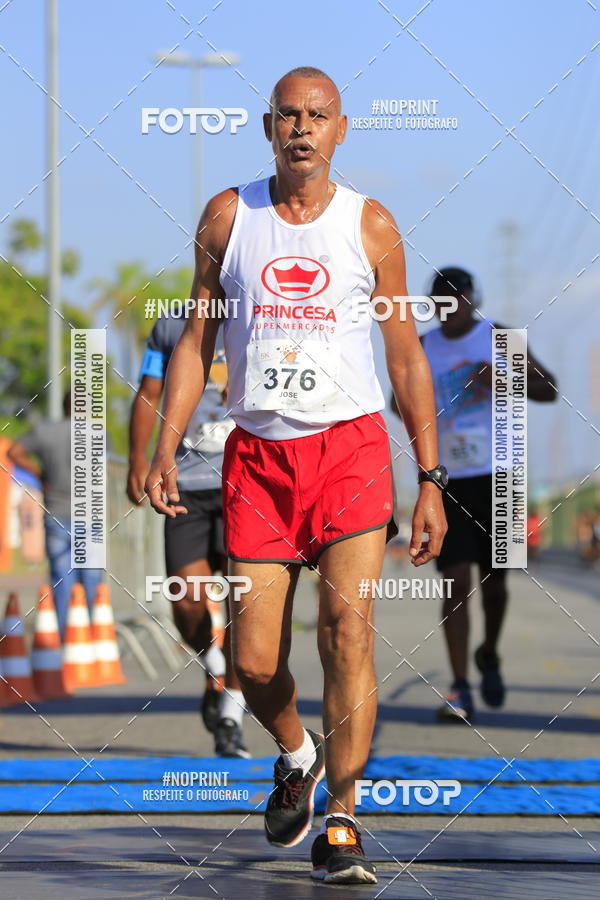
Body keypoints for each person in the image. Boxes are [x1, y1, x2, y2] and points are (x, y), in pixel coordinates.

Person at [145, 66, 447, 885]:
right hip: (259, 459)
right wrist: (166, 444)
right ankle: (297, 750)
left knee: (347, 634)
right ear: (267, 126)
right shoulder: (227, 218)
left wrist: (429, 475)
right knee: (250, 659)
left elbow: (406, 356)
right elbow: (195, 342)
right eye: (288, 116)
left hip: (348, 454)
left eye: (318, 116)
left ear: (341, 129)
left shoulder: (370, 226)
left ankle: (344, 822)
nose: (302, 129)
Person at [401, 267, 557, 723]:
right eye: (440, 304)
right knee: (454, 584)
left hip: (500, 473)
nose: (450, 311)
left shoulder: (500, 336)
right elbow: (398, 401)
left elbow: (549, 390)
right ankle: (460, 686)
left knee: (497, 582)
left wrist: (504, 379)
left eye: (458, 301)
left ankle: (488, 653)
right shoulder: (424, 348)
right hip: (446, 478)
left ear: (473, 299)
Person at [127, 314, 249, 758]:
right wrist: (138, 460)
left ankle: (231, 717)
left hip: (248, 483)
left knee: (245, 603)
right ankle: (213, 663)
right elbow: (150, 392)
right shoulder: (168, 327)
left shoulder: (263, 314)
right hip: (188, 484)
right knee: (187, 600)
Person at [8, 391, 103, 637]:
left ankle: (64, 639)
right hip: (90, 516)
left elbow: (14, 452)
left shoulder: (45, 431)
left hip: (57, 513)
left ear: (64, 406)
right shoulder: (97, 433)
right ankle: (93, 635)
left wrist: (40, 473)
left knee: (62, 578)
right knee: (91, 577)